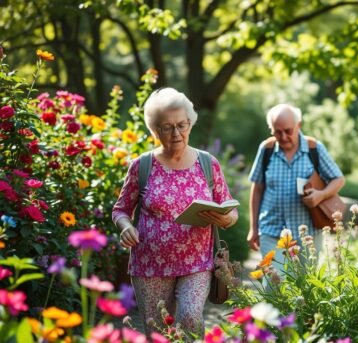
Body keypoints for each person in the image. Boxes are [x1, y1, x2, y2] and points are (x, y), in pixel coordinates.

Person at [112, 88, 238, 338]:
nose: (177, 133)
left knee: (190, 318)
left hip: (197, 263)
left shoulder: (208, 164)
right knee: (159, 331)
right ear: (155, 130)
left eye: (182, 124)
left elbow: (230, 210)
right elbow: (121, 209)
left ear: (190, 123)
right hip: (150, 265)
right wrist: (126, 227)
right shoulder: (142, 165)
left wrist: (225, 219)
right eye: (167, 127)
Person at [247, 104, 344, 269]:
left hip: (307, 233)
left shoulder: (314, 148)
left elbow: (338, 179)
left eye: (288, 130)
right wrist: (253, 228)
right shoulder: (266, 149)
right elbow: (257, 189)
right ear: (271, 130)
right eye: (278, 132)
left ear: (298, 125)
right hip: (271, 230)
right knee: (274, 285)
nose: (283, 136)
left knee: (305, 287)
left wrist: (321, 194)